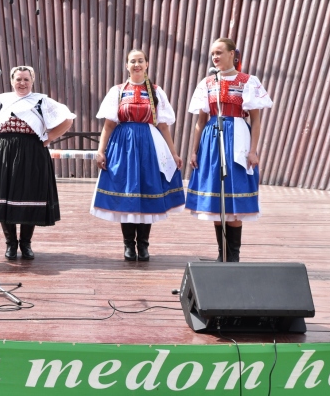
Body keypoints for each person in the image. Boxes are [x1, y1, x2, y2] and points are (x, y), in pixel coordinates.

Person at [90, 49, 186, 261]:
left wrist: (174, 153)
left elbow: (163, 126)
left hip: (150, 145)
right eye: (132, 61)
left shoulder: (156, 92)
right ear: (126, 65)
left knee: (147, 191)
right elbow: (108, 124)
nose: (137, 65)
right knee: (128, 193)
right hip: (123, 145)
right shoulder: (117, 91)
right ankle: (128, 245)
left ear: (147, 64)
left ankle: (143, 245)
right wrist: (100, 150)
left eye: (140, 61)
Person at [0, 66, 75, 260]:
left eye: (26, 79)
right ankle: (10, 243)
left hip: (32, 151)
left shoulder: (41, 100)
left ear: (33, 80)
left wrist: (49, 137)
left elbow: (68, 119)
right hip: (4, 151)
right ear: (12, 81)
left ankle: (26, 243)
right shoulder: (2, 99)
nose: (22, 83)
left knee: (30, 194)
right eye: (18, 79)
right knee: (4, 195)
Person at [186, 38, 273, 262]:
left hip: (237, 136)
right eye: (212, 54)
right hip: (212, 138)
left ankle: (233, 255)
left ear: (232, 54)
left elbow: (256, 120)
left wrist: (253, 150)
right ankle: (221, 254)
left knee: (233, 198)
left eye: (219, 52)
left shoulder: (248, 81)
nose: (215, 57)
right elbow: (200, 121)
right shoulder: (207, 82)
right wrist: (194, 151)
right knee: (217, 200)